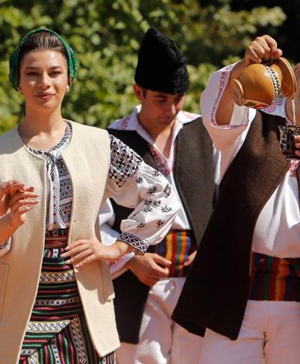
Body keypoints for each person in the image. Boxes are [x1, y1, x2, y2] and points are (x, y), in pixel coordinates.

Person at [0, 28, 182, 363]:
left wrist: (117, 248)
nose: (43, 83)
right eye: (31, 74)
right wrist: (7, 222)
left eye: (54, 73)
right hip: (19, 316)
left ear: (69, 79)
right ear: (17, 82)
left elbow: (161, 193)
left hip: (87, 308)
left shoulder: (100, 144)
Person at [172, 30, 300, 363]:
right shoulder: (252, 120)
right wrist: (245, 65)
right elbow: (218, 111)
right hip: (235, 295)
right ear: (294, 72)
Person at [99, 28, 219, 363]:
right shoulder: (111, 140)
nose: (171, 109)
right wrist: (131, 260)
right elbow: (94, 217)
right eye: (161, 99)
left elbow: (227, 202)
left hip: (196, 275)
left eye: (178, 99)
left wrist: (211, 250)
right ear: (139, 91)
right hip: (136, 274)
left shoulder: (205, 133)